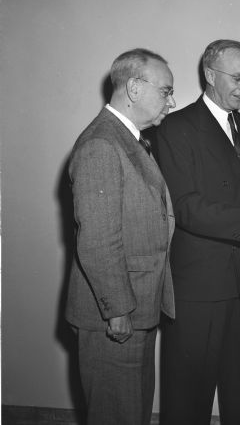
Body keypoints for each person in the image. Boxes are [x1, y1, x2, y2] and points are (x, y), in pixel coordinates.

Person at [155, 39, 240, 425]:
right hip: (196, 286)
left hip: (239, 280)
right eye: (237, 77)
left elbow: (239, 195)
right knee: (188, 396)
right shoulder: (174, 127)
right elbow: (185, 207)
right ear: (209, 75)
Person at [65, 48, 177, 425]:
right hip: (115, 315)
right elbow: (97, 240)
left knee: (131, 411)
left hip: (133, 308)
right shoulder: (102, 144)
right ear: (133, 87)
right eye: (165, 91)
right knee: (117, 414)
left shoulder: (127, 139)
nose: (171, 101)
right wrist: (117, 311)